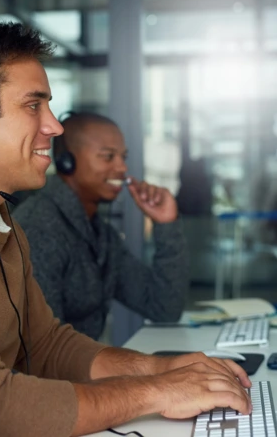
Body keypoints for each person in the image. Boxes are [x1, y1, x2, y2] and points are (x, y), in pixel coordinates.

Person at [0, 23, 252, 437]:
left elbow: (47, 345)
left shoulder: (1, 224)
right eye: (33, 106)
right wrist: (155, 392)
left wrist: (163, 368)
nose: (54, 127)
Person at [14, 112, 189, 340]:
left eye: (123, 157)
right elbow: (43, 347)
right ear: (67, 162)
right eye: (108, 157)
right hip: (49, 374)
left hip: (77, 372)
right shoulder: (39, 228)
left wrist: (166, 224)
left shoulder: (100, 235)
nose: (122, 168)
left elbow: (164, 308)